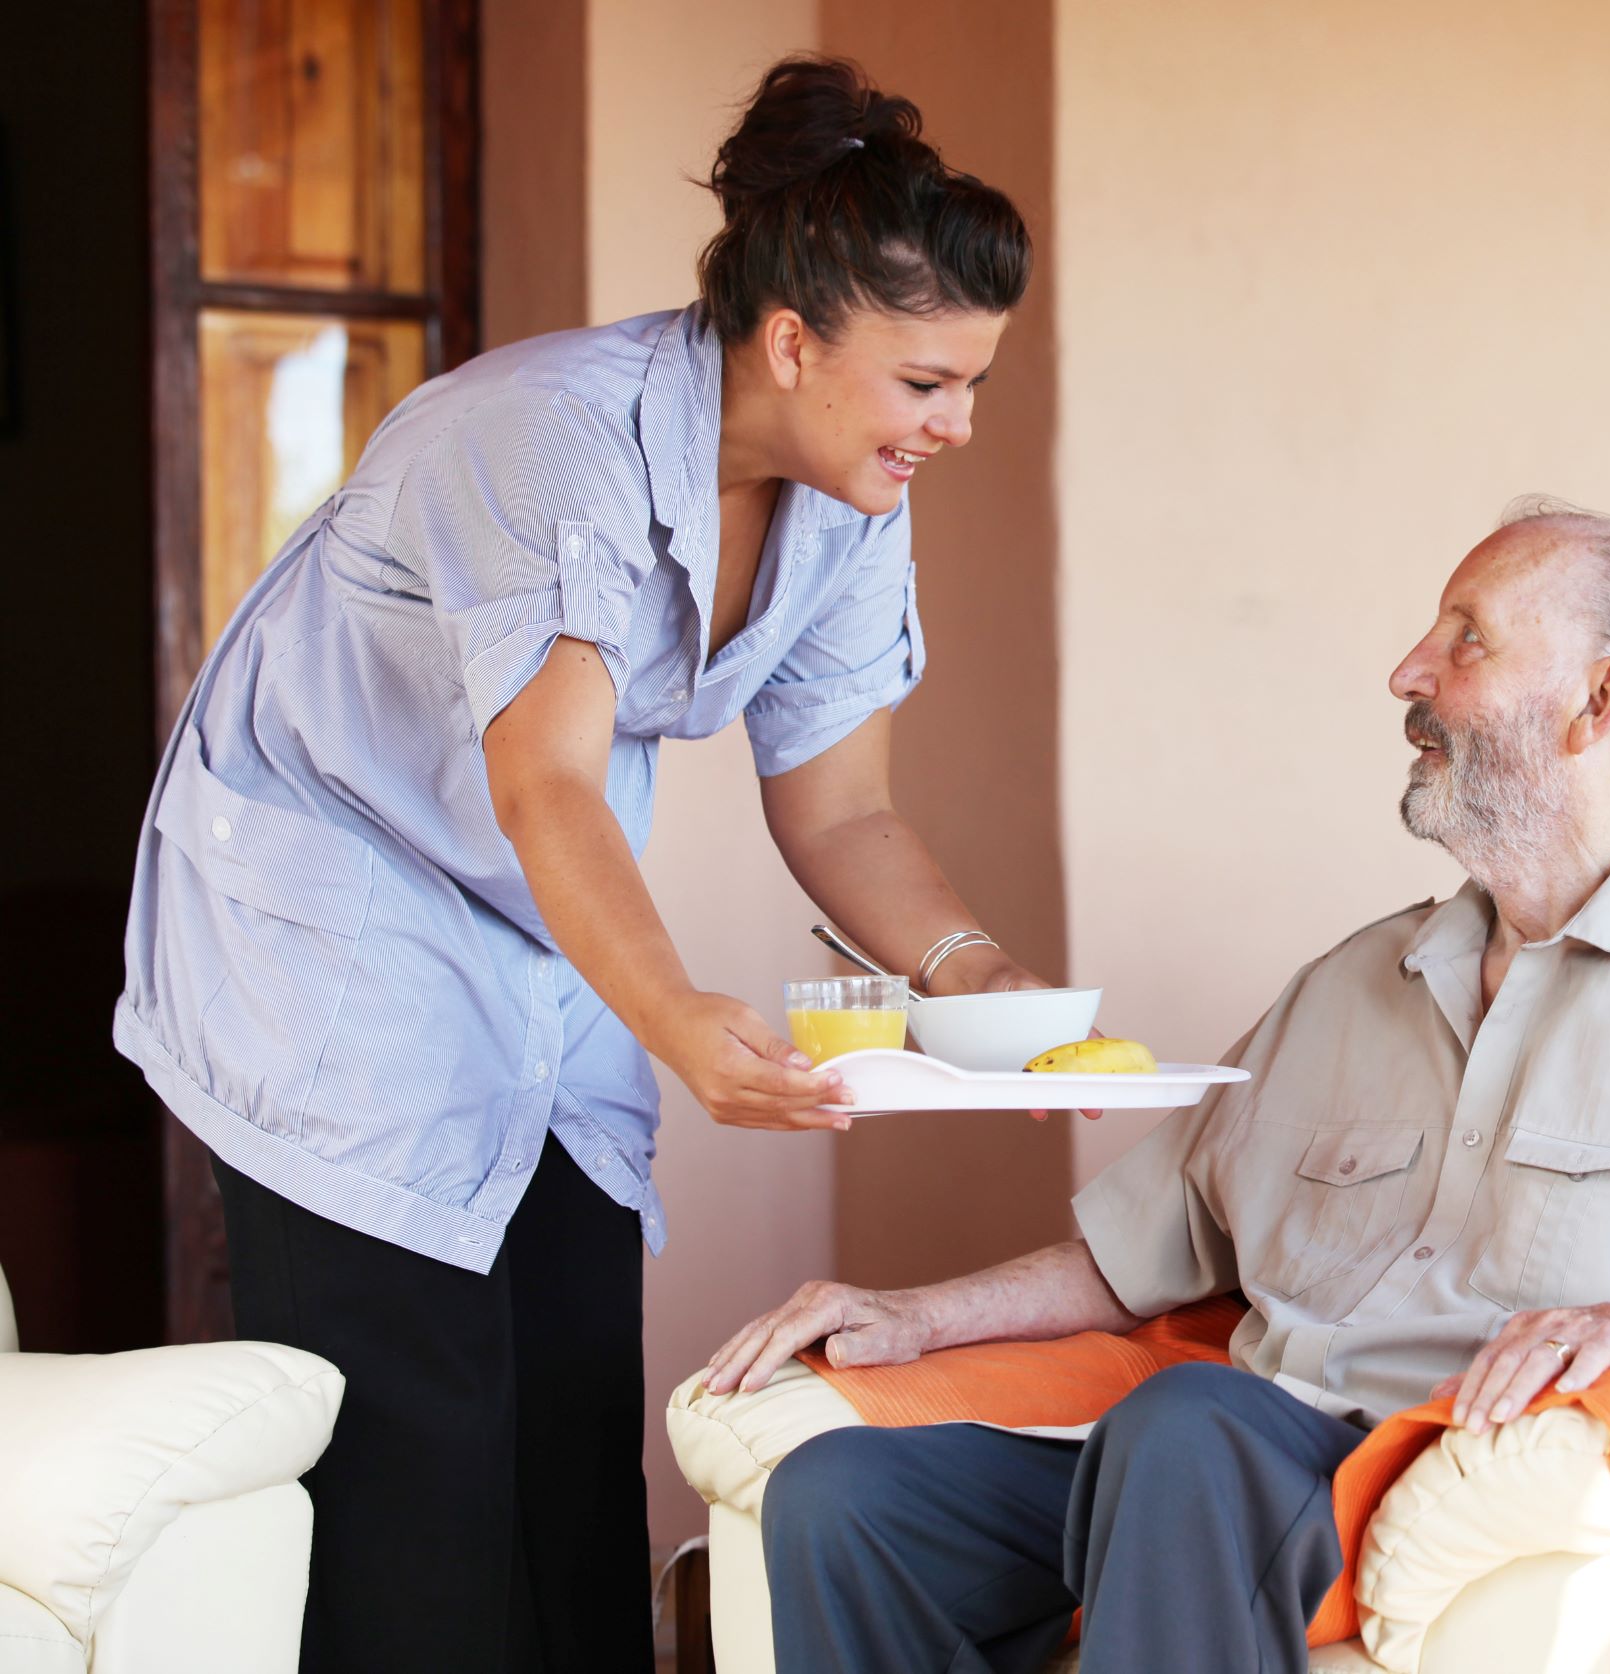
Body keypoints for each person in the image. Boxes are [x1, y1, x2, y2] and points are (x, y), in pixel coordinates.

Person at [113, 57, 1046, 1674]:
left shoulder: (847, 494)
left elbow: (840, 816)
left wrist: (984, 985)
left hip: (539, 928)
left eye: (972, 382)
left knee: (569, 1437)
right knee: (415, 1470)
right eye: (926, 381)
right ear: (793, 340)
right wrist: (685, 1022)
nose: (956, 424)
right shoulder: (547, 439)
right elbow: (544, 781)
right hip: (335, 920)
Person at [712, 499, 1610, 1674]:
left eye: (1464, 641)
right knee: (841, 1500)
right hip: (1218, 1464)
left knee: (1190, 1428)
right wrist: (918, 1316)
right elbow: (1142, 1251)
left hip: (1437, 1460)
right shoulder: (1352, 981)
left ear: (1598, 701)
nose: (1408, 672)